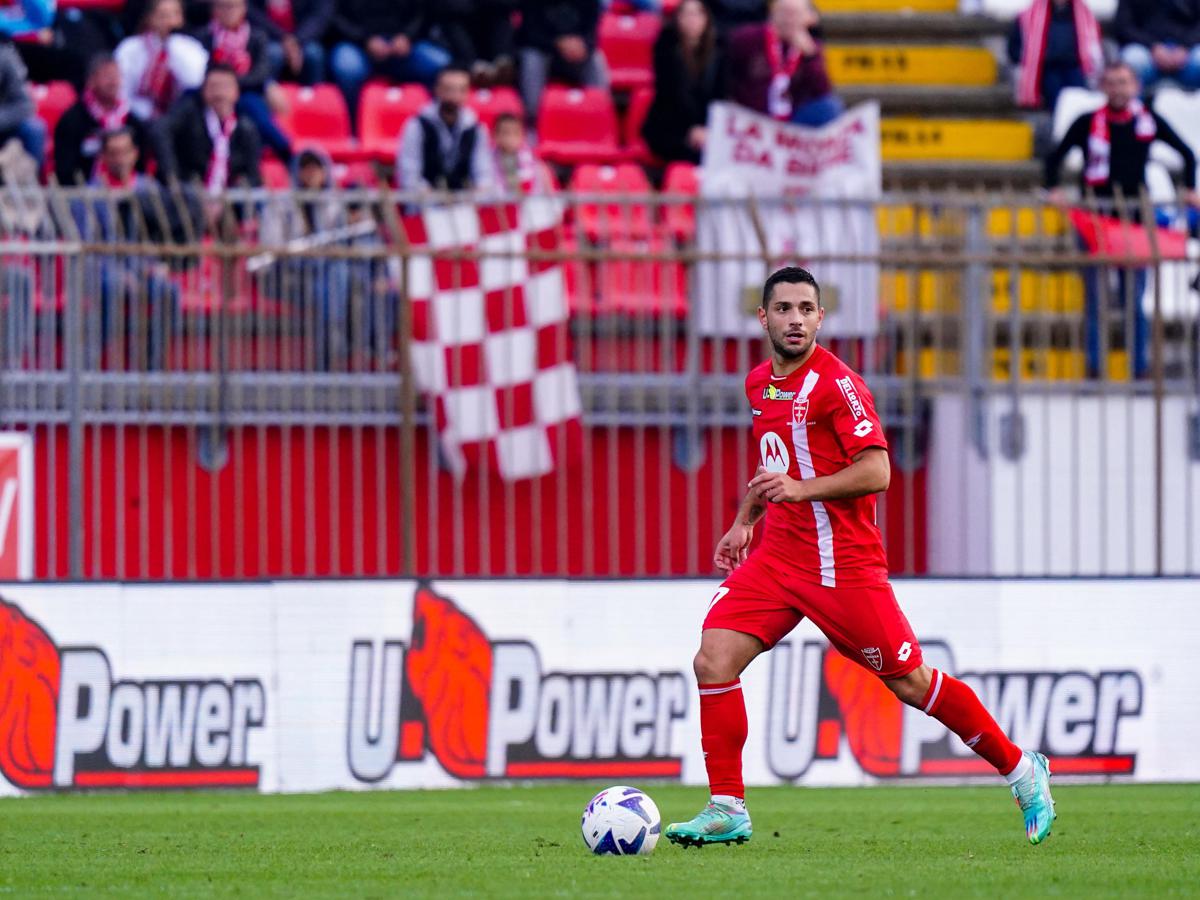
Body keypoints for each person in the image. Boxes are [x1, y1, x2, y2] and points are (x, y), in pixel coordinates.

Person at [665, 266, 1058, 849]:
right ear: (763, 318)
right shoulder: (759, 385)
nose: (795, 320)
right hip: (777, 560)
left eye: (806, 309)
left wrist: (801, 490)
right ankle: (727, 807)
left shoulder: (838, 386)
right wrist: (745, 520)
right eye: (783, 309)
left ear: (821, 318)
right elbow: (776, 465)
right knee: (713, 661)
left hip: (842, 568)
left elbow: (878, 470)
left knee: (911, 683)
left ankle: (1022, 770)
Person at [1044, 62, 1198, 378]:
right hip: (1095, 220)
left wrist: (1189, 189)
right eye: (1112, 82)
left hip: (1133, 222)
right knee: (1095, 300)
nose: (1118, 89)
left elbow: (1186, 153)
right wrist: (1054, 189)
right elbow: (1054, 157)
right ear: (1103, 87)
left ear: (1135, 86)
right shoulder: (1088, 122)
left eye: (1123, 82)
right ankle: (1095, 367)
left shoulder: (1147, 121)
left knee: (1133, 301)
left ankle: (1138, 367)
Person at [76, 127, 180, 370]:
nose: (120, 159)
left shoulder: (150, 190)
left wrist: (160, 265)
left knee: (168, 289)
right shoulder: (89, 196)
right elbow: (86, 248)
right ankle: (92, 369)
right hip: (103, 271)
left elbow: (162, 238)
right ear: (103, 157)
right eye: (113, 153)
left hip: (143, 268)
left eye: (125, 152)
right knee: (112, 285)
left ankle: (153, 366)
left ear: (135, 154)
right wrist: (118, 273)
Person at [196, 0, 292, 163]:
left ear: (244, 9)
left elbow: (261, 73)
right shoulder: (204, 37)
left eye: (233, 6)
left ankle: (288, 153)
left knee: (255, 111)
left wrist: (231, 85)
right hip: (212, 94)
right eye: (223, 6)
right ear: (214, 10)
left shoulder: (256, 37)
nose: (229, 11)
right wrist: (221, 88)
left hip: (245, 91)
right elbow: (199, 71)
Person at [726, 0, 841, 127]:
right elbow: (725, 77)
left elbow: (822, 92)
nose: (788, 19)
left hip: (793, 119)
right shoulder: (746, 40)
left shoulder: (812, 47)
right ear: (771, 15)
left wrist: (810, 56)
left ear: (811, 18)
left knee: (829, 106)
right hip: (753, 117)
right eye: (783, 12)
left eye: (794, 13)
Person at [328, 0, 451, 119]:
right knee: (348, 69)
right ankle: (354, 124)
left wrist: (407, 35)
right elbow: (335, 16)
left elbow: (423, 12)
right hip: (357, 44)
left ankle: (433, 123)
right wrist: (365, 39)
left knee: (441, 63)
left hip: (404, 45)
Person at [54, 54, 164, 186]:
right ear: (91, 81)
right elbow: (65, 169)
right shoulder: (72, 120)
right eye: (107, 76)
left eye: (116, 76)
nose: (113, 82)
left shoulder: (133, 121)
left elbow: (143, 163)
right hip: (86, 192)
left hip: (131, 190)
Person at [161, 62, 262, 200]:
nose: (219, 93)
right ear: (203, 90)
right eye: (214, 87)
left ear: (236, 92)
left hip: (230, 202)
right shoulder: (189, 116)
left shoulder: (246, 128)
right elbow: (160, 130)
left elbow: (253, 176)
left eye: (225, 87)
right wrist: (171, 175)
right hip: (190, 199)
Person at [642, 0, 726, 164]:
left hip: (708, 127)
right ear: (678, 18)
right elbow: (668, 97)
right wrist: (689, 131)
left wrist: (707, 129)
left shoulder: (719, 51)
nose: (692, 19)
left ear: (706, 19)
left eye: (697, 14)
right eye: (687, 14)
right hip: (671, 127)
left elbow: (720, 95)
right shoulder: (665, 49)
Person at [396, 66, 494, 194]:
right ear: (437, 90)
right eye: (449, 89)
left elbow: (483, 174)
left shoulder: (476, 129)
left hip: (464, 200)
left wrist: (477, 193)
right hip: (425, 200)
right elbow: (409, 174)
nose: (454, 97)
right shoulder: (416, 126)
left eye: (461, 90)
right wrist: (432, 196)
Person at [516, 0, 608, 128]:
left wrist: (584, 44)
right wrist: (557, 42)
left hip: (576, 52)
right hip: (542, 49)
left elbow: (593, 32)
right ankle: (532, 121)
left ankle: (600, 116)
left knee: (596, 59)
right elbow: (528, 32)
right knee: (531, 58)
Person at [115, 0, 209, 120]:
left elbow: (195, 83)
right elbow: (121, 91)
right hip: (138, 117)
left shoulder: (191, 48)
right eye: (162, 15)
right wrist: (145, 112)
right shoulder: (131, 48)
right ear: (150, 18)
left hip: (181, 117)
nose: (170, 21)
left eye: (175, 15)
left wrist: (174, 47)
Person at [1009, 0, 1104, 110]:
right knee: (1056, 102)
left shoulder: (1084, 14)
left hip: (1075, 67)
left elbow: (1094, 45)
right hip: (1047, 69)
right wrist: (1028, 62)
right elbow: (1014, 47)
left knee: (1079, 102)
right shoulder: (1029, 15)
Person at [1115, 0, 1200, 90]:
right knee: (1132, 60)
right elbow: (1123, 26)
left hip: (1188, 50)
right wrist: (1152, 46)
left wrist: (1185, 46)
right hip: (1145, 49)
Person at [432, 0, 518, 86]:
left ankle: (502, 61)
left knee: (501, 13)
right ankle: (475, 67)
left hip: (490, 26)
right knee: (452, 18)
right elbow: (446, 6)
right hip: (458, 32)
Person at [250, 0, 333, 85]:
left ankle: (315, 92)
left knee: (313, 53)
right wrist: (283, 37)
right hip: (269, 36)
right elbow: (253, 13)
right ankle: (268, 89)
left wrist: (297, 40)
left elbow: (319, 16)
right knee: (274, 53)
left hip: (303, 36)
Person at [0, 36, 44, 167]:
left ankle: (32, 177)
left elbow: (24, 105)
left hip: (3, 123)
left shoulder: (5, 56)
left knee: (34, 128)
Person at [491, 112, 551, 194]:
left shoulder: (536, 163)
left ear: (522, 135)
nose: (510, 138)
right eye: (506, 133)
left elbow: (549, 193)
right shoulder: (488, 163)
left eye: (515, 133)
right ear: (495, 135)